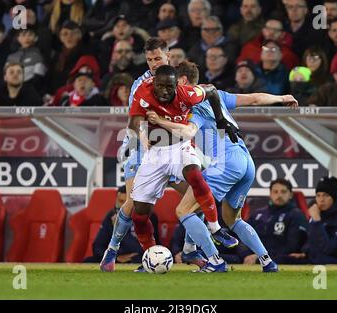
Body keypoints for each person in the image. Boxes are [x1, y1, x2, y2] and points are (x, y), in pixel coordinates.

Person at [99, 38, 236, 273]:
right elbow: (135, 119)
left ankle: (195, 250)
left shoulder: (176, 83)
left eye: (157, 59)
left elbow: (206, 95)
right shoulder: (140, 85)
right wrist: (136, 141)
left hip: (175, 147)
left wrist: (221, 120)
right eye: (150, 59)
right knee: (134, 205)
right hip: (145, 149)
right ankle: (115, 249)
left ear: (168, 56)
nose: (153, 63)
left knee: (196, 199)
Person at [146, 61, 298, 272]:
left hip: (226, 163)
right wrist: (282, 98)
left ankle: (215, 261)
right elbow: (254, 98)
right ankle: (267, 262)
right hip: (245, 160)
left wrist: (159, 122)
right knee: (230, 217)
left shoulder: (190, 106)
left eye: (172, 84)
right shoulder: (217, 95)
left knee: (184, 210)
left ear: (182, 81)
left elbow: (188, 132)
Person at [127, 65, 239, 263]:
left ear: (176, 85)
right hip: (154, 154)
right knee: (140, 212)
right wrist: (142, 135)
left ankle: (215, 228)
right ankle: (151, 256)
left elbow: (212, 91)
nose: (165, 91)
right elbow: (134, 121)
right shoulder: (143, 91)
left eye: (169, 87)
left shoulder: (187, 93)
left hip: (180, 146)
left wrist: (220, 120)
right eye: (160, 86)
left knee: (195, 175)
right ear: (154, 84)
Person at [282, 176, 337, 265]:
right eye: (318, 195)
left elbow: (328, 249)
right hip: (319, 258)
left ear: (334, 197)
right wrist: (305, 253)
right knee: (283, 259)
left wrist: (317, 221)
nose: (321, 200)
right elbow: (312, 241)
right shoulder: (318, 214)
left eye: (326, 195)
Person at [84, 186, 159, 264]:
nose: (123, 206)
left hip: (138, 258)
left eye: (127, 202)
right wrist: (116, 258)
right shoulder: (111, 216)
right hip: (117, 257)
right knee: (88, 261)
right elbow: (97, 247)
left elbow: (144, 248)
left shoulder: (147, 216)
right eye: (120, 201)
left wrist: (120, 228)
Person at [243, 178, 308, 264]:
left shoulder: (296, 215)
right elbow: (244, 238)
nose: (279, 195)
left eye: (283, 192)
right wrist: (246, 255)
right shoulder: (257, 214)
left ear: (291, 194)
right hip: (251, 258)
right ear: (270, 194)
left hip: (278, 259)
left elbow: (292, 246)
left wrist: (261, 256)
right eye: (275, 192)